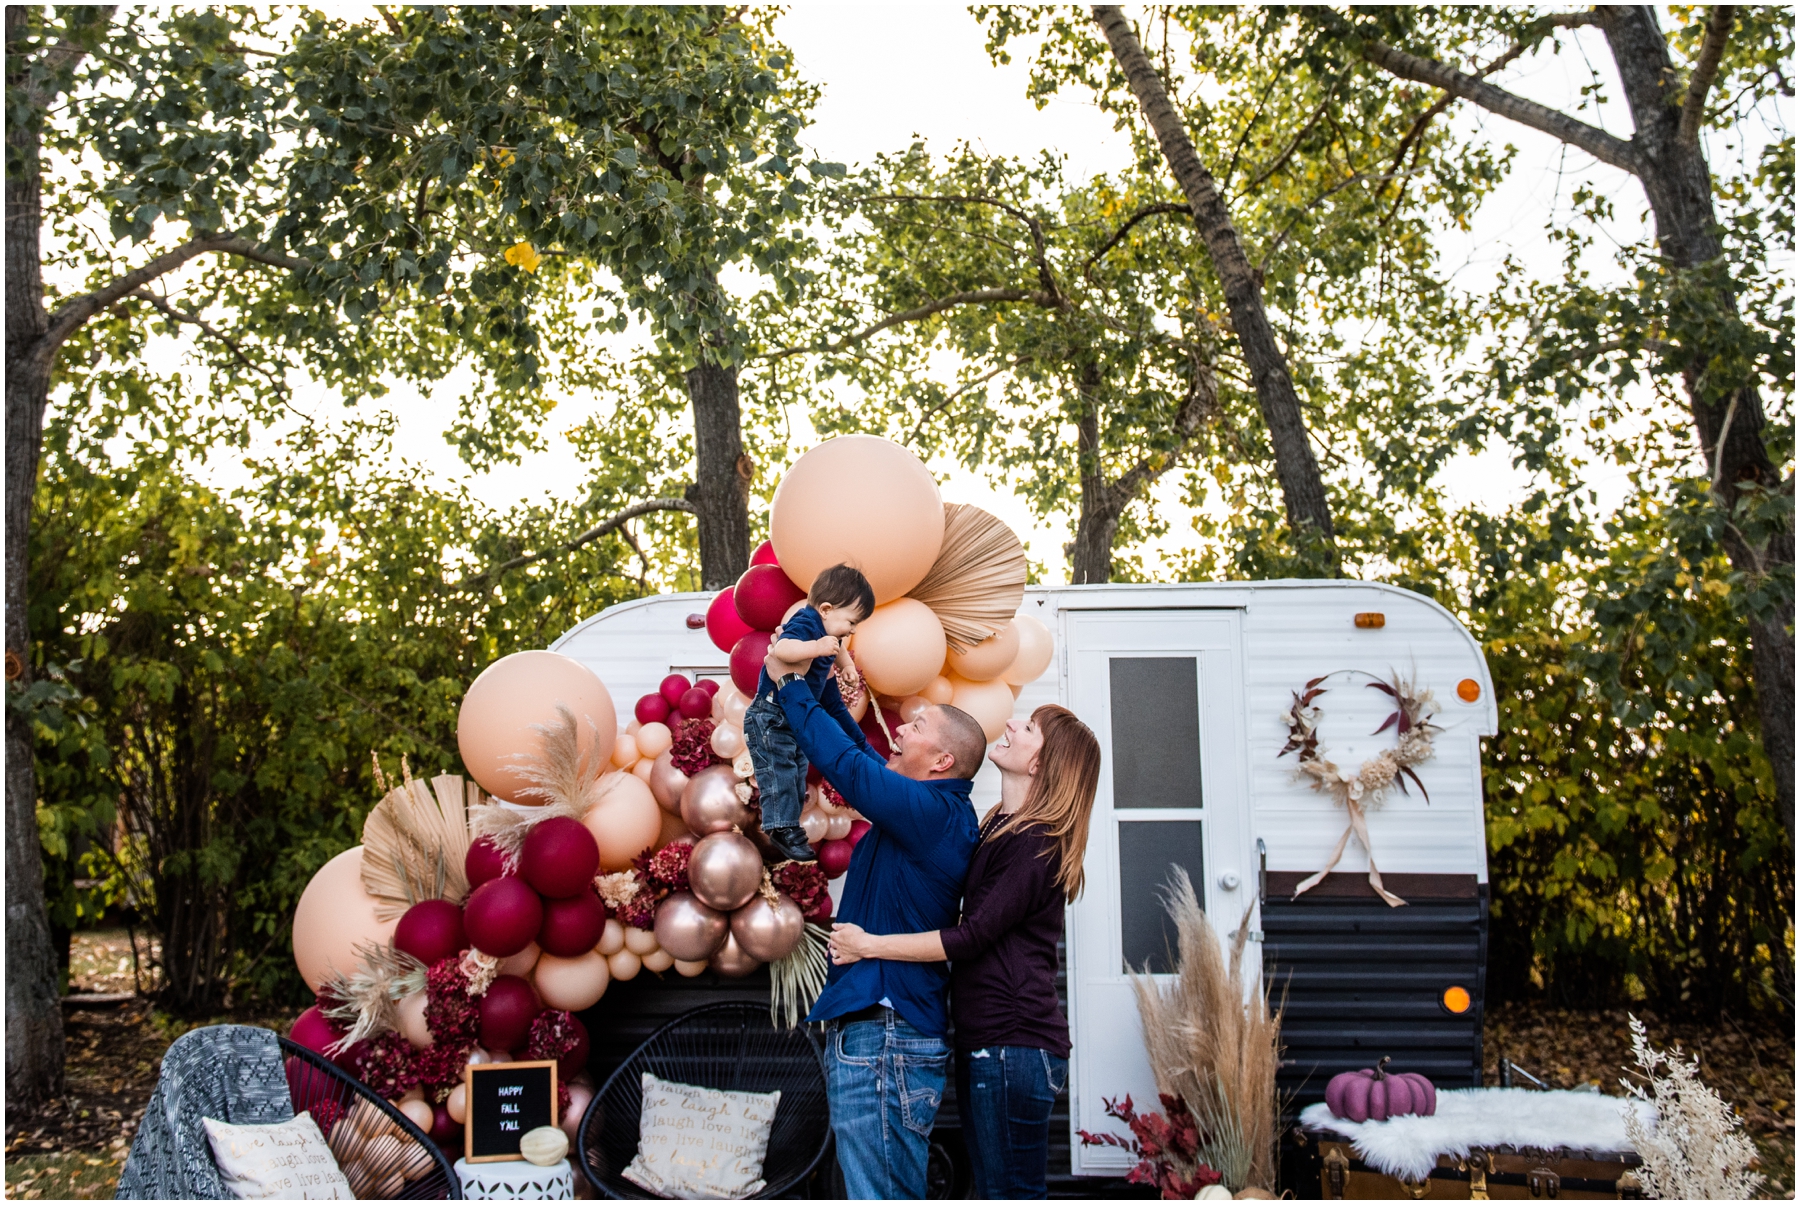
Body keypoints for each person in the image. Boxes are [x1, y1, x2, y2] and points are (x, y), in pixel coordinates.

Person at [829, 704, 1101, 1200]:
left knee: (1010, 1193)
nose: (1014, 724)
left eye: (1030, 727)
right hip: (988, 1040)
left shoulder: (1035, 843)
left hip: (1013, 1042)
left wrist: (870, 944)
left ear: (1042, 763)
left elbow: (970, 936)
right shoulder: (998, 825)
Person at [766, 645, 987, 1200]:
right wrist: (821, 681)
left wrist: (789, 686)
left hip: (886, 1038)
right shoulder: (924, 807)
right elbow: (859, 749)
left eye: (916, 726)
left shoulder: (933, 813)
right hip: (883, 1036)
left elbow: (849, 766)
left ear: (941, 762)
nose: (901, 730)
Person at [744, 563, 875, 863]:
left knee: (798, 770)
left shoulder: (832, 634)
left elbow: (839, 648)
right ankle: (780, 826)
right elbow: (783, 651)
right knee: (780, 770)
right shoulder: (805, 621)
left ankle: (788, 823)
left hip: (792, 719)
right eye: (852, 621)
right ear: (826, 609)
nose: (852, 630)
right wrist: (815, 647)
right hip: (771, 714)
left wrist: (848, 667)